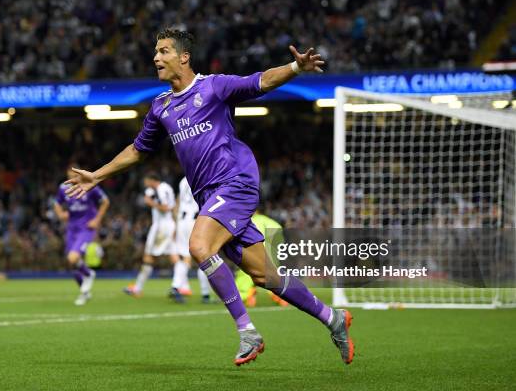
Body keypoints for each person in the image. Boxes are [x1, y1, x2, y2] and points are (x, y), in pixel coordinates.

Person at [65, 28, 354, 366]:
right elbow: (137, 150)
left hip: (235, 182)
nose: (156, 58)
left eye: (163, 51)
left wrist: (294, 68)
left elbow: (257, 81)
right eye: (155, 52)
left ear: (183, 57)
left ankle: (247, 331)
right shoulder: (160, 107)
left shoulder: (213, 86)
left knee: (199, 246)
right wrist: (97, 175)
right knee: (266, 277)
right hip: (210, 197)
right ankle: (333, 318)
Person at [54, 166, 110, 306]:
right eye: (70, 173)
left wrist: (97, 220)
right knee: (72, 263)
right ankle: (85, 292)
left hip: (86, 228)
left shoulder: (89, 185)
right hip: (71, 228)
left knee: (73, 258)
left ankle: (89, 275)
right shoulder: (63, 188)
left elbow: (105, 201)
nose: (72, 176)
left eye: (75, 173)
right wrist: (60, 214)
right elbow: (57, 203)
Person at [124, 173, 176, 298]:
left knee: (150, 257)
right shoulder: (166, 188)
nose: (145, 184)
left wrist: (150, 202)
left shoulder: (161, 190)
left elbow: (165, 208)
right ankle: (181, 286)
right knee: (171, 256)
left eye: (146, 181)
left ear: (151, 180)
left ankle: (138, 288)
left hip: (161, 227)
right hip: (167, 225)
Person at [169, 177, 212, 303]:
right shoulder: (201, 176)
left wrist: (176, 224)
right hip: (195, 221)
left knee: (185, 257)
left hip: (182, 221)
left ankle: (176, 287)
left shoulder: (183, 180)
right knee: (205, 256)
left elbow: (177, 203)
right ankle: (205, 294)